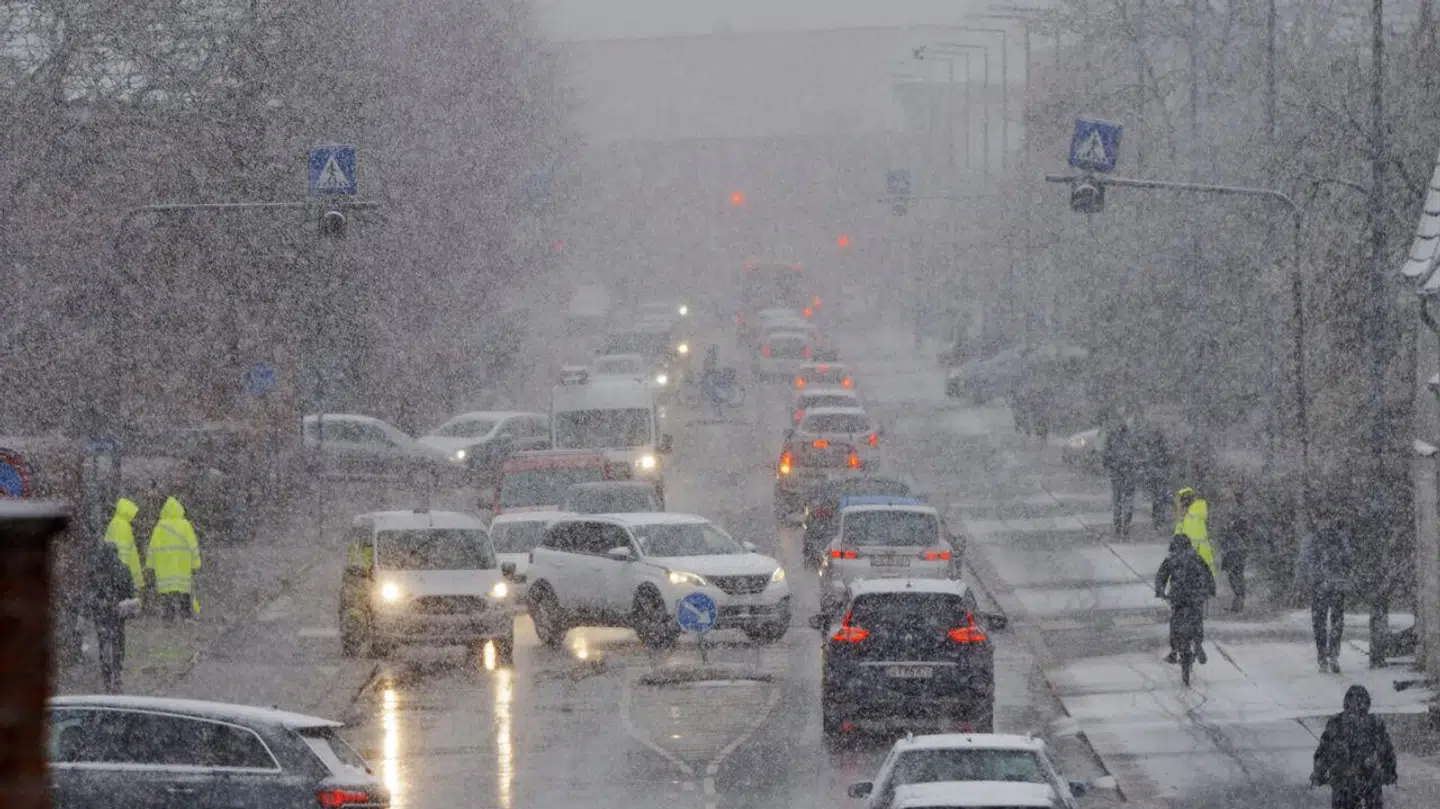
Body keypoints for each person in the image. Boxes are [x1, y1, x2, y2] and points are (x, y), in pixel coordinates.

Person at [1311, 685, 1397, 809]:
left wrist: (1319, 774)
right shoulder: (1375, 723)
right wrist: (1390, 773)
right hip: (1368, 785)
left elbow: (1323, 752)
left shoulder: (1336, 722)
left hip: (1345, 785)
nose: (1357, 706)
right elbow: (1388, 752)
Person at [1296, 512, 1355, 673]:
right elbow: (1349, 559)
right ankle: (1334, 654)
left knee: (1319, 622)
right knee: (1337, 619)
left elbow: (1302, 563)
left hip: (1318, 585)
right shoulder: (1340, 537)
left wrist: (1301, 586)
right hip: (1337, 584)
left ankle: (1322, 657)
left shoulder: (1310, 539)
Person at [1155, 533, 1216, 665]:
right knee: (1197, 619)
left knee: (1175, 622)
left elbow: (1161, 576)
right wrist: (1210, 591)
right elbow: (1208, 575)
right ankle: (1198, 644)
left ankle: (1174, 651)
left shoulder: (1172, 559)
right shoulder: (1197, 558)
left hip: (1178, 596)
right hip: (1195, 595)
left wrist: (1160, 591)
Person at [87, 539, 137, 693]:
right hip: (117, 615)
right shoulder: (124, 569)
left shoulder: (96, 572)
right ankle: (116, 676)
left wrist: (98, 604)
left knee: (105, 646)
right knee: (118, 645)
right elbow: (131, 593)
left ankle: (108, 679)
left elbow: (90, 595)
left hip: (103, 616)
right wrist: (126, 605)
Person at [144, 496, 201, 622]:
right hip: (182, 566)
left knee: (166, 593)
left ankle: (168, 616)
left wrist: (150, 565)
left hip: (164, 568)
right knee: (184, 591)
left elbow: (153, 547)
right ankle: (186, 615)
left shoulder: (159, 527)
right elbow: (193, 546)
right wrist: (196, 564)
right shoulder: (185, 525)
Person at [1102, 418, 1140, 537]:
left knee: (1117, 499)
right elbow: (1138, 454)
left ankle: (1118, 525)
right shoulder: (1131, 439)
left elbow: (1106, 455)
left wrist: (1109, 465)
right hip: (1128, 473)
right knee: (1127, 500)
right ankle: (1125, 525)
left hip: (1117, 473)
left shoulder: (1112, 437)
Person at [1218, 488, 1251, 612]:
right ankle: (1239, 599)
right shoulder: (1241, 513)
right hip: (1238, 548)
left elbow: (1230, 531)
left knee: (1233, 574)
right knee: (1237, 574)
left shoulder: (1235, 514)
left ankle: (1239, 598)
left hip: (1233, 549)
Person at [103, 497, 145, 592]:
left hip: (114, 573)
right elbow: (125, 554)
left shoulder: (114, 523)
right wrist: (127, 576)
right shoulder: (123, 526)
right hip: (123, 576)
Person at [1174, 487, 1217, 576]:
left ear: (1184, 502)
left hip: (1196, 565)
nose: (1177, 505)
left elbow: (1185, 539)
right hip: (1199, 566)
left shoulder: (1192, 517)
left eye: (1179, 502)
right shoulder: (1186, 516)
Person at [1141, 427, 1172, 530]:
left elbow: (1147, 463)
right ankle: (1159, 519)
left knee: (1157, 499)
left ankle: (1157, 519)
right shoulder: (1163, 448)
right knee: (1161, 499)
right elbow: (1168, 461)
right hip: (1161, 476)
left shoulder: (1151, 448)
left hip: (1155, 477)